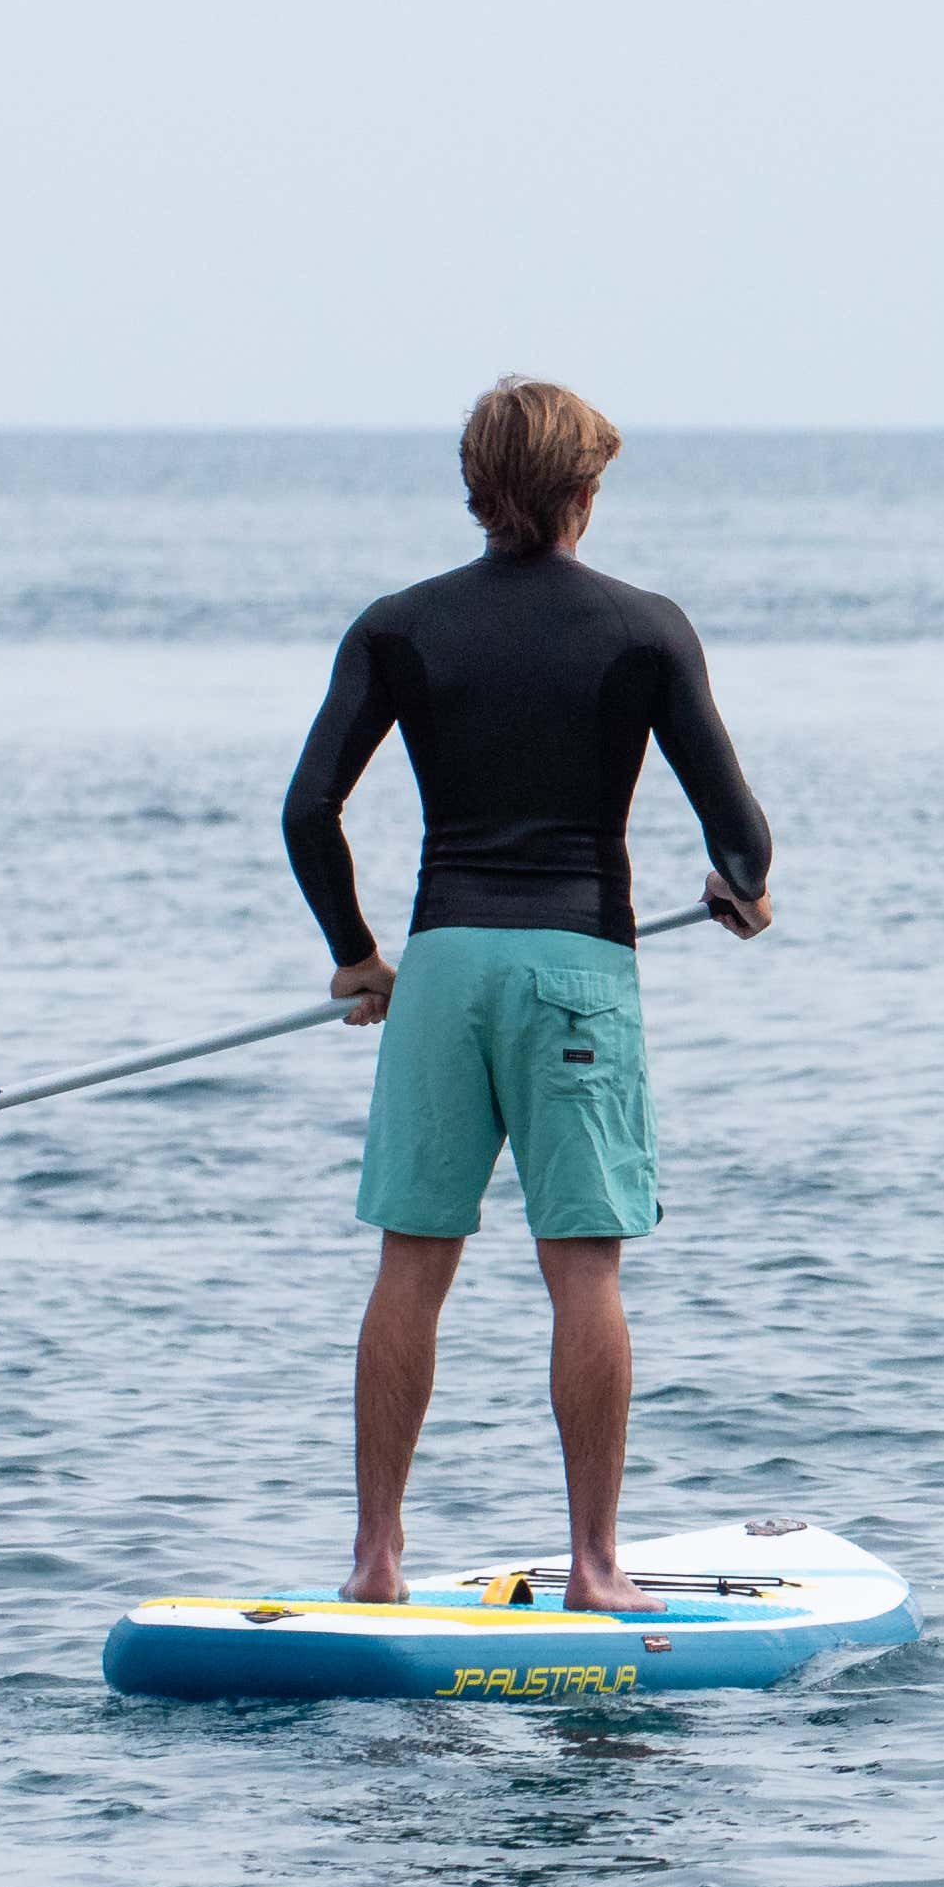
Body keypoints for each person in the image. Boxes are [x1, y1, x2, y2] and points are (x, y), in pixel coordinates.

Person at [283, 377, 773, 1614]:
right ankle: (597, 1567)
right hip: (578, 970)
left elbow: (308, 810)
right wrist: (742, 890)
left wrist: (355, 952)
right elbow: (743, 838)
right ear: (586, 496)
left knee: (412, 1262)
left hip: (442, 963)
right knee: (584, 1273)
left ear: (475, 488)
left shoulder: (402, 625)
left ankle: (377, 1558)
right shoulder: (645, 628)